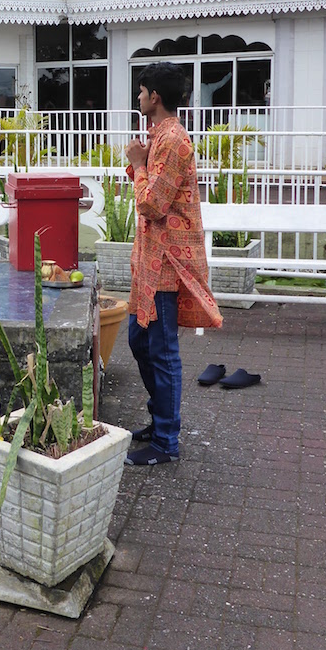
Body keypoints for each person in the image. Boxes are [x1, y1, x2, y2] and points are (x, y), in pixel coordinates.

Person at [124, 62, 223, 466]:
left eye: (142, 91)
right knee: (137, 341)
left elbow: (152, 202)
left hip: (168, 262)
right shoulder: (159, 135)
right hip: (150, 260)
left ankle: (166, 440)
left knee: (162, 352)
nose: (139, 97)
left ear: (155, 97)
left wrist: (138, 163)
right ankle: (159, 417)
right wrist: (140, 161)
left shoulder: (175, 140)